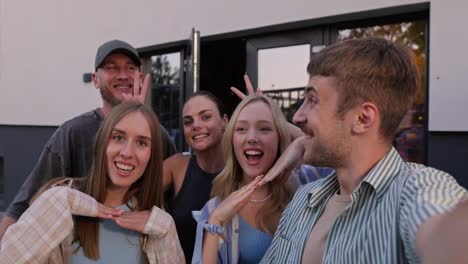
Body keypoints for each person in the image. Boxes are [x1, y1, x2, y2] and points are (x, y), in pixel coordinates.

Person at [259, 37, 467, 263]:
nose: (298, 116)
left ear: (362, 118)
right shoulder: (304, 199)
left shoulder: (417, 189)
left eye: (312, 100)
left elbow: (443, 226)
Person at [0, 39, 177, 238]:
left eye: (130, 68)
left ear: (140, 77)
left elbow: (174, 204)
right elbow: (24, 205)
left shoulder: (158, 136)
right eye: (112, 68)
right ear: (95, 79)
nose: (123, 75)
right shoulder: (73, 133)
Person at [0, 102, 185, 263]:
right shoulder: (61, 202)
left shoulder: (153, 219)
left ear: (152, 156)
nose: (127, 153)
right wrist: (57, 200)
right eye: (118, 137)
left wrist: (165, 228)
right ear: (102, 143)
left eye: (142, 143)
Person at [192, 94, 331, 264]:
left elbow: (352, 158)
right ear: (232, 140)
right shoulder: (215, 209)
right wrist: (216, 220)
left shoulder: (307, 179)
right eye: (241, 129)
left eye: (264, 128)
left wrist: (300, 143)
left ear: (280, 135)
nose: (251, 138)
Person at [163, 90, 229, 260]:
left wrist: (264, 110)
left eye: (205, 117)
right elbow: (132, 189)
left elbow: (304, 147)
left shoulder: (246, 168)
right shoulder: (177, 166)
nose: (195, 125)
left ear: (225, 121)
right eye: (188, 121)